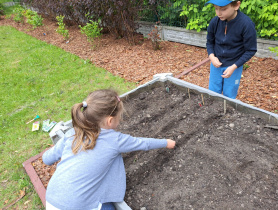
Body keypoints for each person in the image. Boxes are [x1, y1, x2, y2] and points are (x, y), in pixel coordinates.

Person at [42, 89, 176, 210]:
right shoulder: (114, 140)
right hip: (78, 206)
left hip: (52, 199)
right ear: (110, 121)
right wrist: (166, 142)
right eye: (119, 117)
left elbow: (47, 159)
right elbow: (143, 143)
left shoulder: (72, 132)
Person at [205, 0, 257, 99]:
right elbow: (210, 42)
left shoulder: (246, 24)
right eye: (216, 8)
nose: (218, 13)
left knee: (229, 96)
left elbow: (251, 50)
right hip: (216, 64)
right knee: (212, 93)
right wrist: (211, 56)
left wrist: (234, 66)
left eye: (223, 9)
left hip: (234, 66)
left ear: (236, 5)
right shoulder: (214, 22)